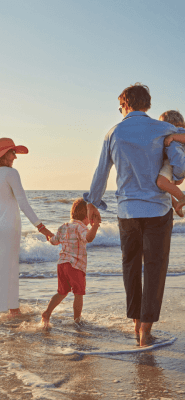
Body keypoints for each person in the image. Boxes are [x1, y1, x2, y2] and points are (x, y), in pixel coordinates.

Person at [84, 83, 185, 346]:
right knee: (155, 268)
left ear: (126, 104)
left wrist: (92, 203)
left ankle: (136, 323)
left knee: (130, 266)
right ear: (147, 104)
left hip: (127, 211)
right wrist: (174, 138)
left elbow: (101, 173)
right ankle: (145, 332)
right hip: (158, 210)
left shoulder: (113, 132)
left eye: (120, 106)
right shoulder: (162, 128)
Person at [0, 138, 53, 321]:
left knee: (4, 266)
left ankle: (13, 308)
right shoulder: (11, 173)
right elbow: (23, 202)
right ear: (2, 154)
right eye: (12, 152)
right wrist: (42, 228)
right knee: (2, 268)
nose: (15, 157)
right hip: (10, 227)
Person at [41, 199, 100, 327]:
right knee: (78, 293)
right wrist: (95, 226)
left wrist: (48, 235)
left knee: (62, 292)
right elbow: (88, 238)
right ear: (86, 217)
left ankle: (47, 312)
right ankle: (77, 320)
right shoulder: (81, 227)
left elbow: (54, 241)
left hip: (62, 264)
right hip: (75, 266)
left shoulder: (64, 226)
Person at [156, 110, 185, 217]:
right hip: (173, 163)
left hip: (178, 162)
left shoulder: (179, 131)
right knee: (164, 185)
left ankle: (182, 198)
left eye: (162, 124)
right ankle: (176, 203)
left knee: (161, 182)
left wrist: (173, 137)